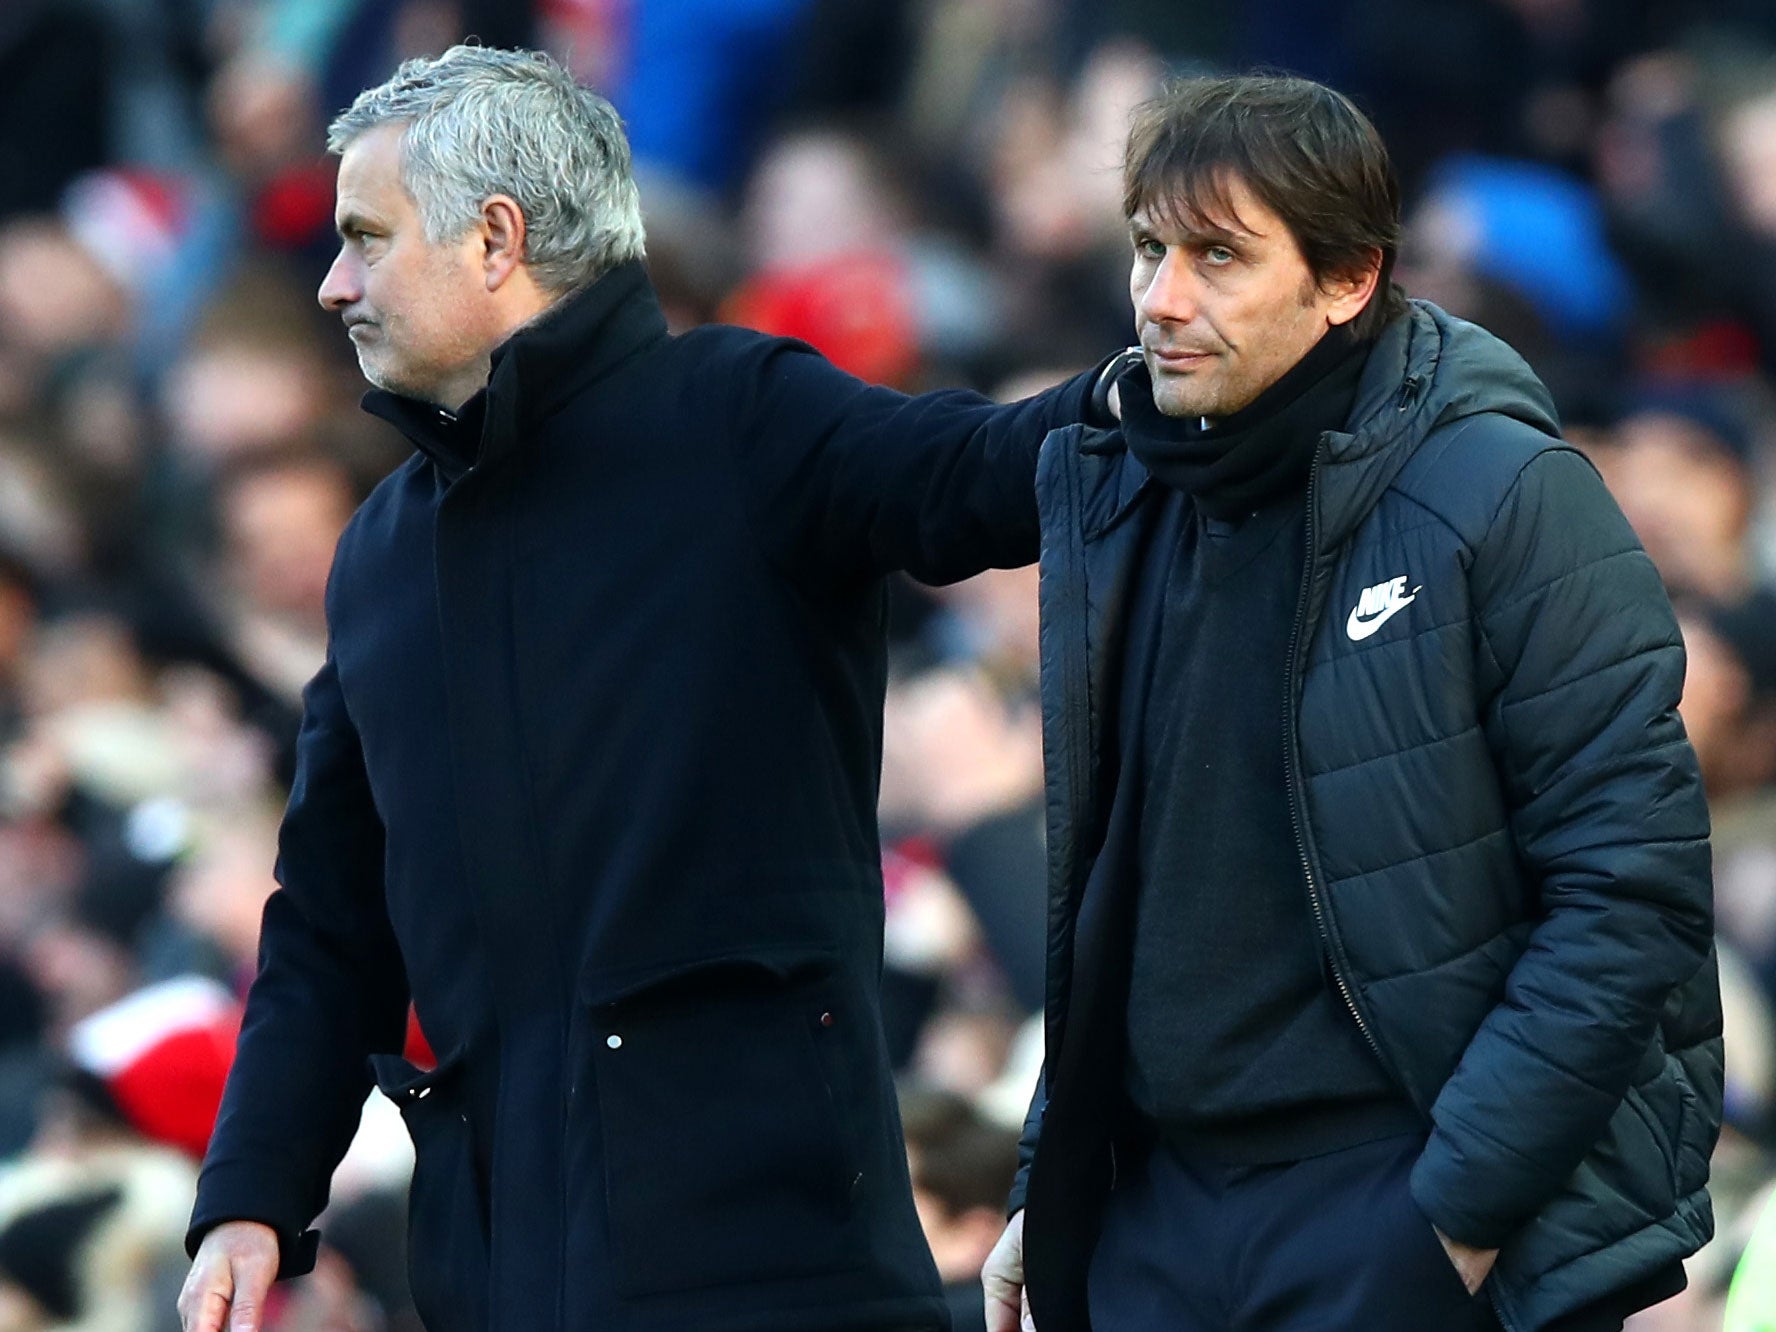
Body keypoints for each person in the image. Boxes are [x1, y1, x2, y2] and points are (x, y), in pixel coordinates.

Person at [175, 44, 1116, 1332]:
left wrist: (1168, 377)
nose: (333, 284)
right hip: (501, 1275)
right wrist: (251, 1194)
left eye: (365, 237)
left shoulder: (736, 415)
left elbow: (979, 469)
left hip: (773, 1265)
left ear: (496, 239)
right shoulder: (380, 556)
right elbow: (331, 922)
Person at [981, 75, 1721, 1332]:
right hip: (1158, 1217)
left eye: (1219, 256)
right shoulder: (1120, 492)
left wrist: (1453, 1222)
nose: (1163, 300)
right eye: (1150, 250)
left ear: (1349, 280)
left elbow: (1627, 894)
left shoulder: (1506, 490)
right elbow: (1113, 898)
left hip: (1397, 1205)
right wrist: (1053, 1184)